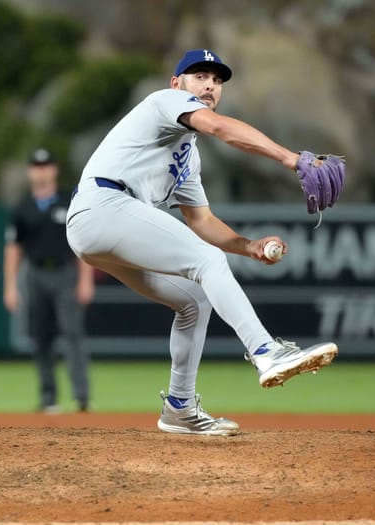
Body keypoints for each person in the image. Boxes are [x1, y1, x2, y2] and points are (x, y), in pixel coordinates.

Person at [65, 49, 338, 435]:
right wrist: (291, 159)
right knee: (206, 261)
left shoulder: (187, 157)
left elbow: (201, 220)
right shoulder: (166, 101)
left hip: (103, 224)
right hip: (104, 204)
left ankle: (179, 407)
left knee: (195, 298)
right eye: (199, 75)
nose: (209, 84)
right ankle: (266, 351)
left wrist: (248, 246)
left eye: (217, 79)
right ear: (177, 83)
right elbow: (220, 128)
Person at [4, 148, 95, 413]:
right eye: (36, 166)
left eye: (45, 166)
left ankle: (82, 397)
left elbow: (83, 241)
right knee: (41, 337)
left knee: (73, 334)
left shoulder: (69, 201)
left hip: (66, 272)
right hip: (35, 273)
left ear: (54, 169)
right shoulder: (23, 207)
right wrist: (10, 286)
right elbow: (13, 248)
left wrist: (85, 280)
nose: (41, 171)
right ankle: (48, 398)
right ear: (30, 171)